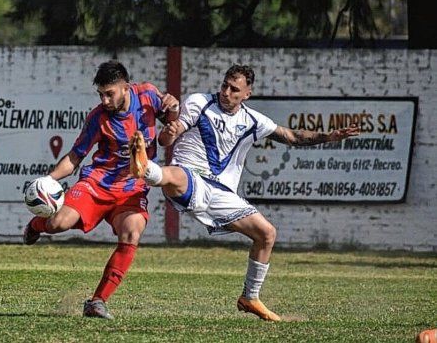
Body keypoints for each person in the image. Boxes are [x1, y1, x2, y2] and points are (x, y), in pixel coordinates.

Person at [129, 64, 360, 321]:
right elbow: (167, 138)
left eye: (234, 89)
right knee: (175, 174)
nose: (226, 92)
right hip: (189, 175)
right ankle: (143, 167)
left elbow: (292, 136)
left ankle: (250, 297)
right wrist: (170, 133)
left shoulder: (252, 120)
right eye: (224, 85)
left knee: (267, 234)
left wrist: (328, 137)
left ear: (247, 94)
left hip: (221, 193)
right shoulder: (199, 102)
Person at [23, 60, 179, 319]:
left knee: (132, 232)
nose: (105, 100)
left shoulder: (148, 94)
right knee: (59, 223)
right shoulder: (98, 118)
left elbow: (167, 129)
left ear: (126, 87)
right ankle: (36, 226)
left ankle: (97, 302)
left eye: (110, 94)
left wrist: (173, 109)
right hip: (97, 183)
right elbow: (75, 157)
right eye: (101, 94)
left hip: (131, 189)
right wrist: (48, 181)